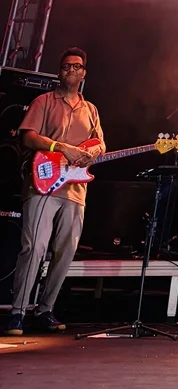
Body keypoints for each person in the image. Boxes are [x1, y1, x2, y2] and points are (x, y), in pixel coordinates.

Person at [5, 48, 105, 336]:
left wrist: (97, 149)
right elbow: (28, 136)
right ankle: (17, 312)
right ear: (59, 72)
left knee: (66, 251)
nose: (71, 70)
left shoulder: (91, 109)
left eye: (77, 66)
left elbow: (99, 143)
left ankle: (45, 309)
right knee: (34, 247)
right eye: (65, 66)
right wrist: (60, 147)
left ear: (84, 73)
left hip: (74, 191)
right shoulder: (44, 101)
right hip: (43, 184)